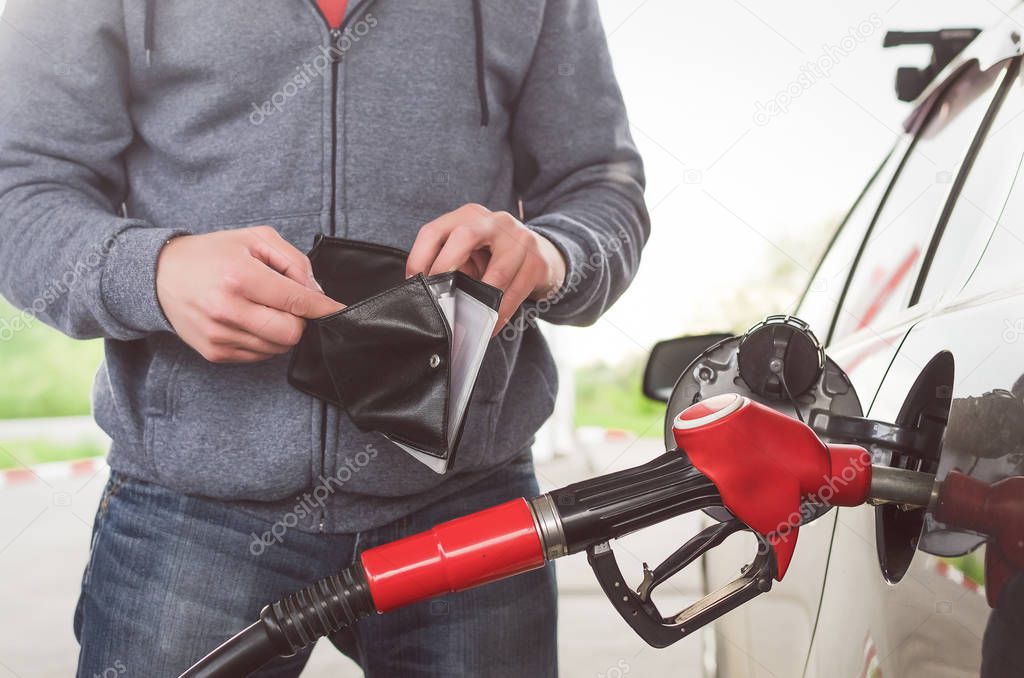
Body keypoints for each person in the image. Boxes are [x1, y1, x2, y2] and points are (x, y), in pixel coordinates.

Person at [0, 0, 649, 675]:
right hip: (191, 505)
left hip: (468, 497)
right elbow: (19, 193)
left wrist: (551, 255)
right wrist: (156, 273)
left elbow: (604, 188)